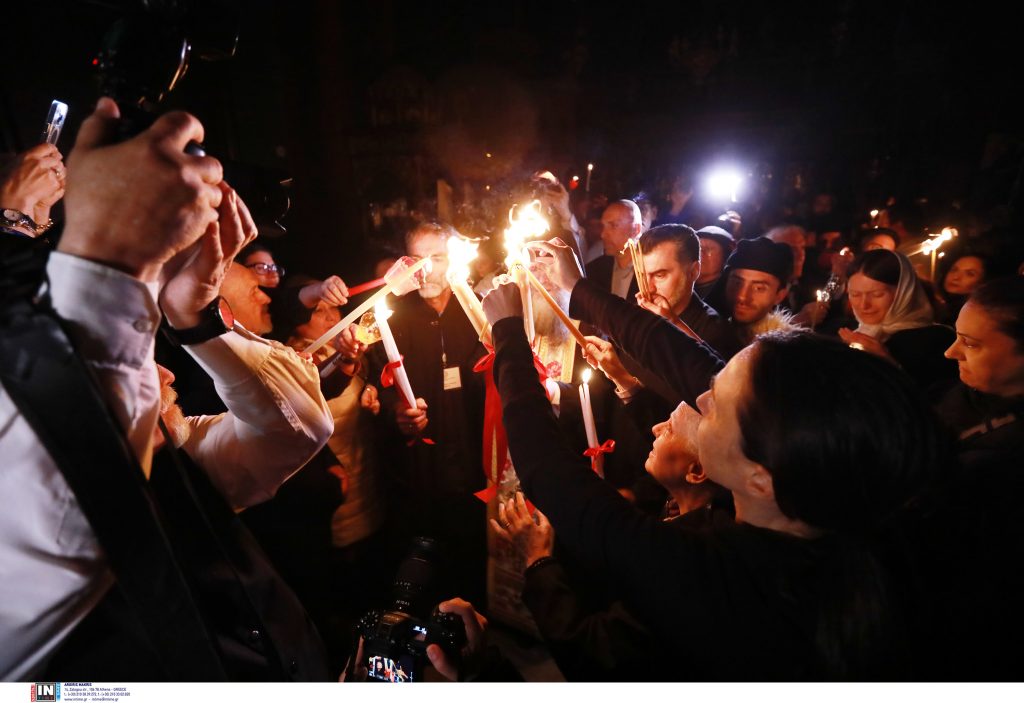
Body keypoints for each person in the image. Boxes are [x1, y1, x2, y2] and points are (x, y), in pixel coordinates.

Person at [481, 247, 951, 678]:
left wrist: (508, 335)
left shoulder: (708, 576)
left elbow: (550, 471)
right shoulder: (824, 507)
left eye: (717, 406)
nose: (700, 399)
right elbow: (682, 358)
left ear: (759, 478)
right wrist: (579, 289)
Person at [0, 98, 332, 680]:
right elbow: (64, 511)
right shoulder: (39, 519)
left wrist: (198, 320)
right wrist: (93, 256)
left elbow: (299, 428)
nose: (158, 372)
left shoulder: (174, 463)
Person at [365, 220, 488, 607]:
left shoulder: (478, 312)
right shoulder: (393, 316)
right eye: (417, 259)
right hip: (417, 471)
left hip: (471, 464)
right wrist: (395, 413)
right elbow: (375, 380)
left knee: (470, 560)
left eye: (438, 257)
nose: (427, 269)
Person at [838, 249, 957, 390]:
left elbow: (939, 398)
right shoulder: (848, 331)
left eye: (877, 294)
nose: (864, 305)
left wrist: (886, 362)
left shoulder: (939, 340)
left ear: (904, 292)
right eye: (855, 294)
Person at [935, 276, 1024, 459]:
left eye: (970, 344)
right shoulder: (948, 393)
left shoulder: (1007, 452)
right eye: (957, 336)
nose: (949, 353)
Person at [635, 224, 742, 359]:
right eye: (641, 276)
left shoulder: (717, 333)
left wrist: (674, 324)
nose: (649, 288)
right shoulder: (637, 318)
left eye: (660, 275)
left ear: (693, 271)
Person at [705, 236, 800, 345]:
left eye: (758, 288)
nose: (742, 296)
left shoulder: (784, 349)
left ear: (779, 296)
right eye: (737, 283)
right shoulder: (702, 330)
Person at [584, 200, 642, 300]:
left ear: (635, 229)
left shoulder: (653, 272)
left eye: (613, 225)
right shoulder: (594, 270)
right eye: (603, 226)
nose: (603, 234)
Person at [938, 252, 989, 326]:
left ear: (983, 282)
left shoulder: (979, 319)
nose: (956, 277)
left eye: (970, 274)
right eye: (954, 270)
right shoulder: (934, 308)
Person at [693, 225, 734, 300]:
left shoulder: (726, 297)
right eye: (698, 248)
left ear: (726, 257)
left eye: (708, 249)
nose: (700, 253)